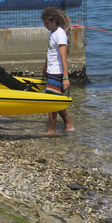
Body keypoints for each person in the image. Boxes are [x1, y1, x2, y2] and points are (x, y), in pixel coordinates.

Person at [41, 7, 75, 135]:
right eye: (44, 23)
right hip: (51, 70)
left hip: (57, 72)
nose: (45, 26)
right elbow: (50, 51)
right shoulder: (52, 32)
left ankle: (51, 130)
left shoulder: (60, 34)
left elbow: (63, 57)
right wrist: (45, 65)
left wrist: (65, 78)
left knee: (51, 102)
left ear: (54, 21)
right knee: (56, 101)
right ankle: (68, 125)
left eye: (47, 23)